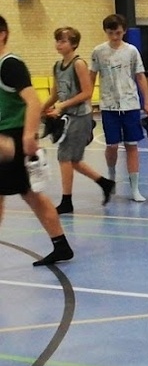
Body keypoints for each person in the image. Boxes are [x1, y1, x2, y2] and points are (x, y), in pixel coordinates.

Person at [0, 15, 74, 267]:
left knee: (31, 195)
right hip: (6, 138)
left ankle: (61, 245)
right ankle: (61, 245)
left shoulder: (9, 65)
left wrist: (29, 136)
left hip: (14, 138)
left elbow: (32, 101)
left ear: (2, 35)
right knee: (31, 195)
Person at [43, 27, 115, 213]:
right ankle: (105, 183)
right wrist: (41, 109)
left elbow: (87, 92)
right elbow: (55, 95)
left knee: (64, 156)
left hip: (80, 116)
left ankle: (67, 202)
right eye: (57, 41)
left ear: (74, 44)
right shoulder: (57, 67)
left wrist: (62, 105)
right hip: (67, 115)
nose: (59, 44)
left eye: (63, 41)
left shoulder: (79, 64)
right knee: (73, 160)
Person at [90, 13, 148, 202]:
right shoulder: (98, 52)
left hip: (130, 104)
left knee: (132, 146)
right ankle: (111, 178)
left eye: (118, 33)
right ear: (106, 32)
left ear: (124, 31)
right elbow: (91, 76)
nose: (114, 37)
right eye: (111, 33)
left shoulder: (132, 51)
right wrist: (87, 102)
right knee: (111, 145)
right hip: (109, 106)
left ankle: (135, 188)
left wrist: (147, 102)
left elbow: (140, 76)